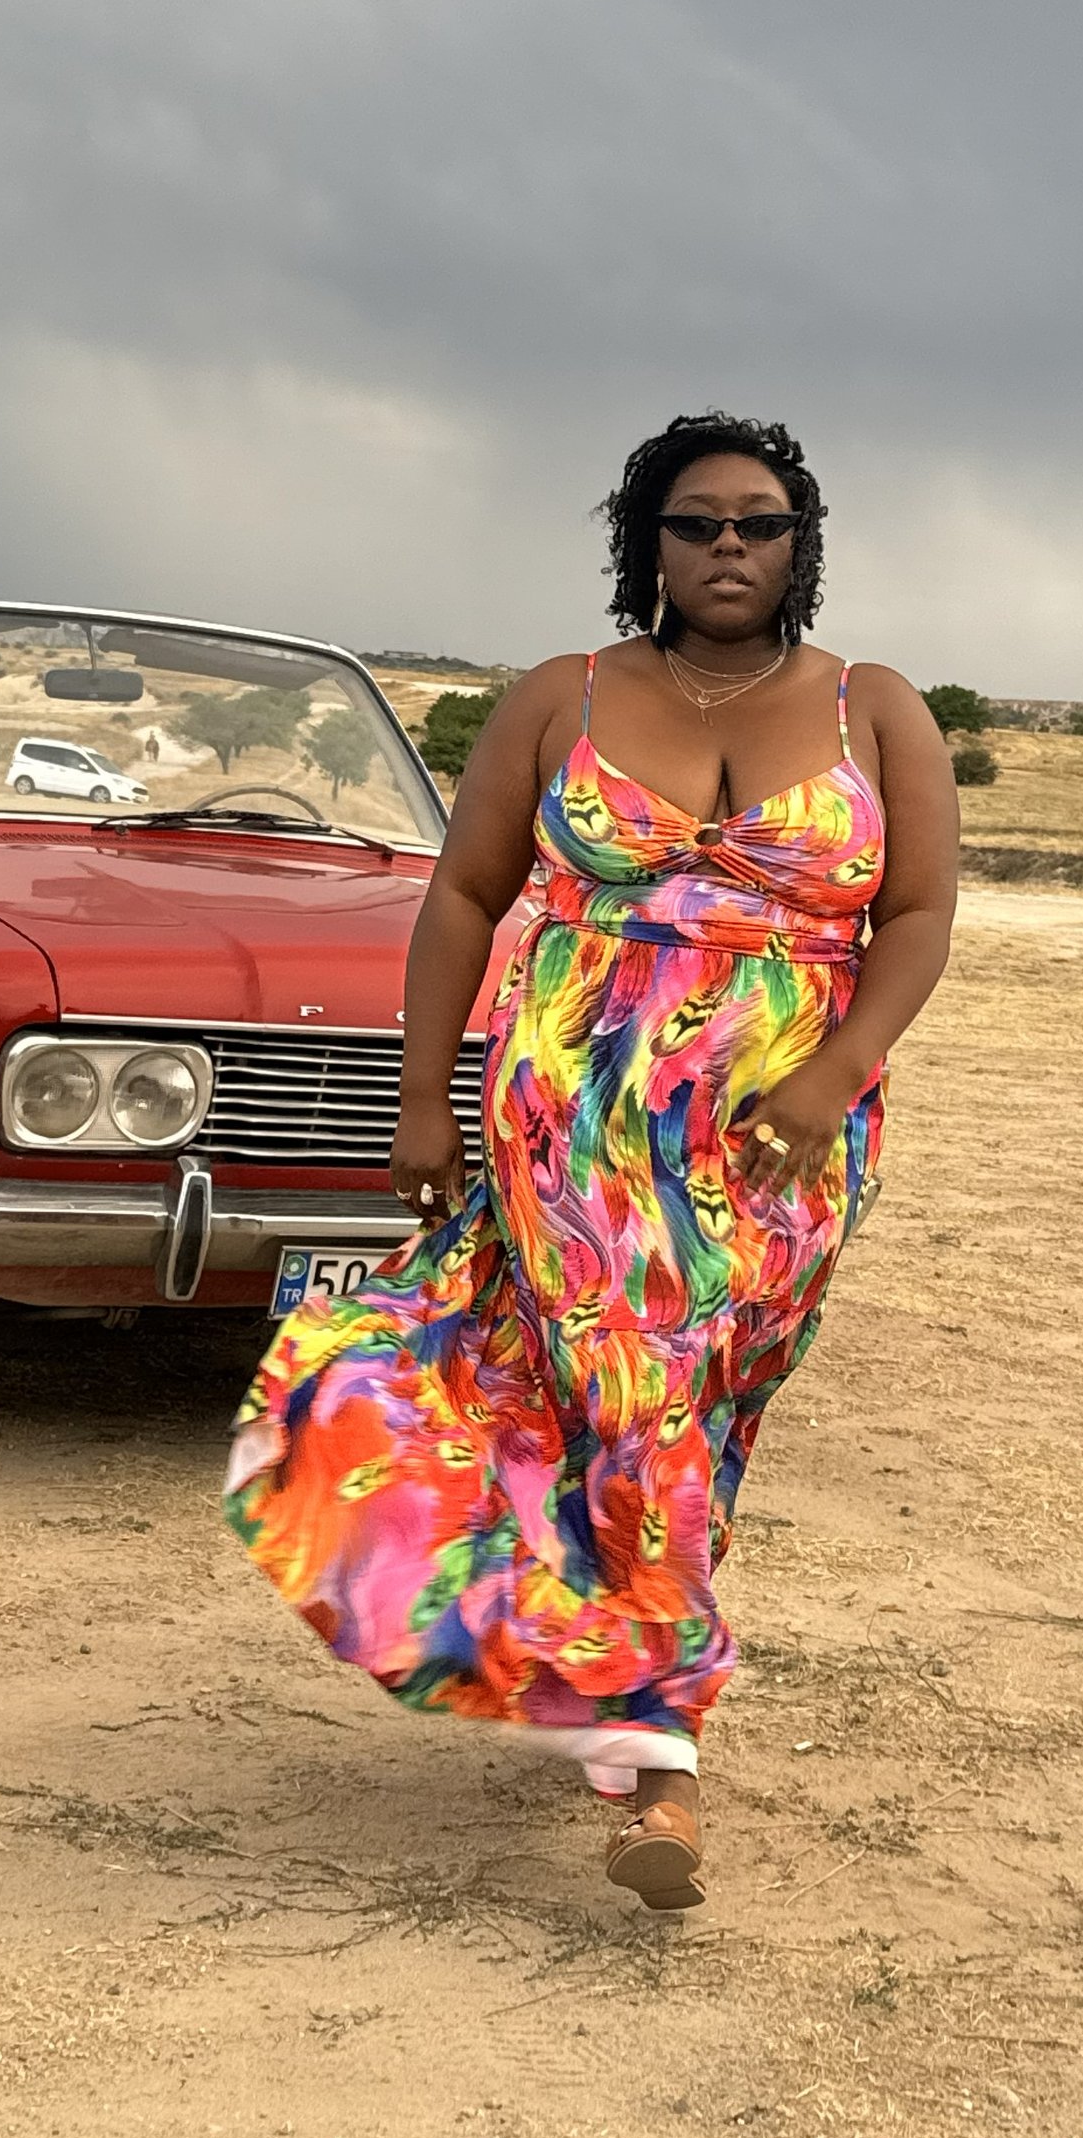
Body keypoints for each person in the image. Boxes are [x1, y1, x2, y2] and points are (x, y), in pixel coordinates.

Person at [223, 411, 958, 1909]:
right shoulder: (561, 698)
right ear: (650, 543)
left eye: (761, 522)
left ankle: (588, 1654)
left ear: (801, 542)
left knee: (696, 1410)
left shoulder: (875, 708)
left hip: (780, 1143)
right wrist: (421, 1102)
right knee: (641, 1396)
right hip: (574, 1117)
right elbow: (462, 898)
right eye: (700, 523)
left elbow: (923, 916)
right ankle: (660, 1764)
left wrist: (830, 1076)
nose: (732, 547)